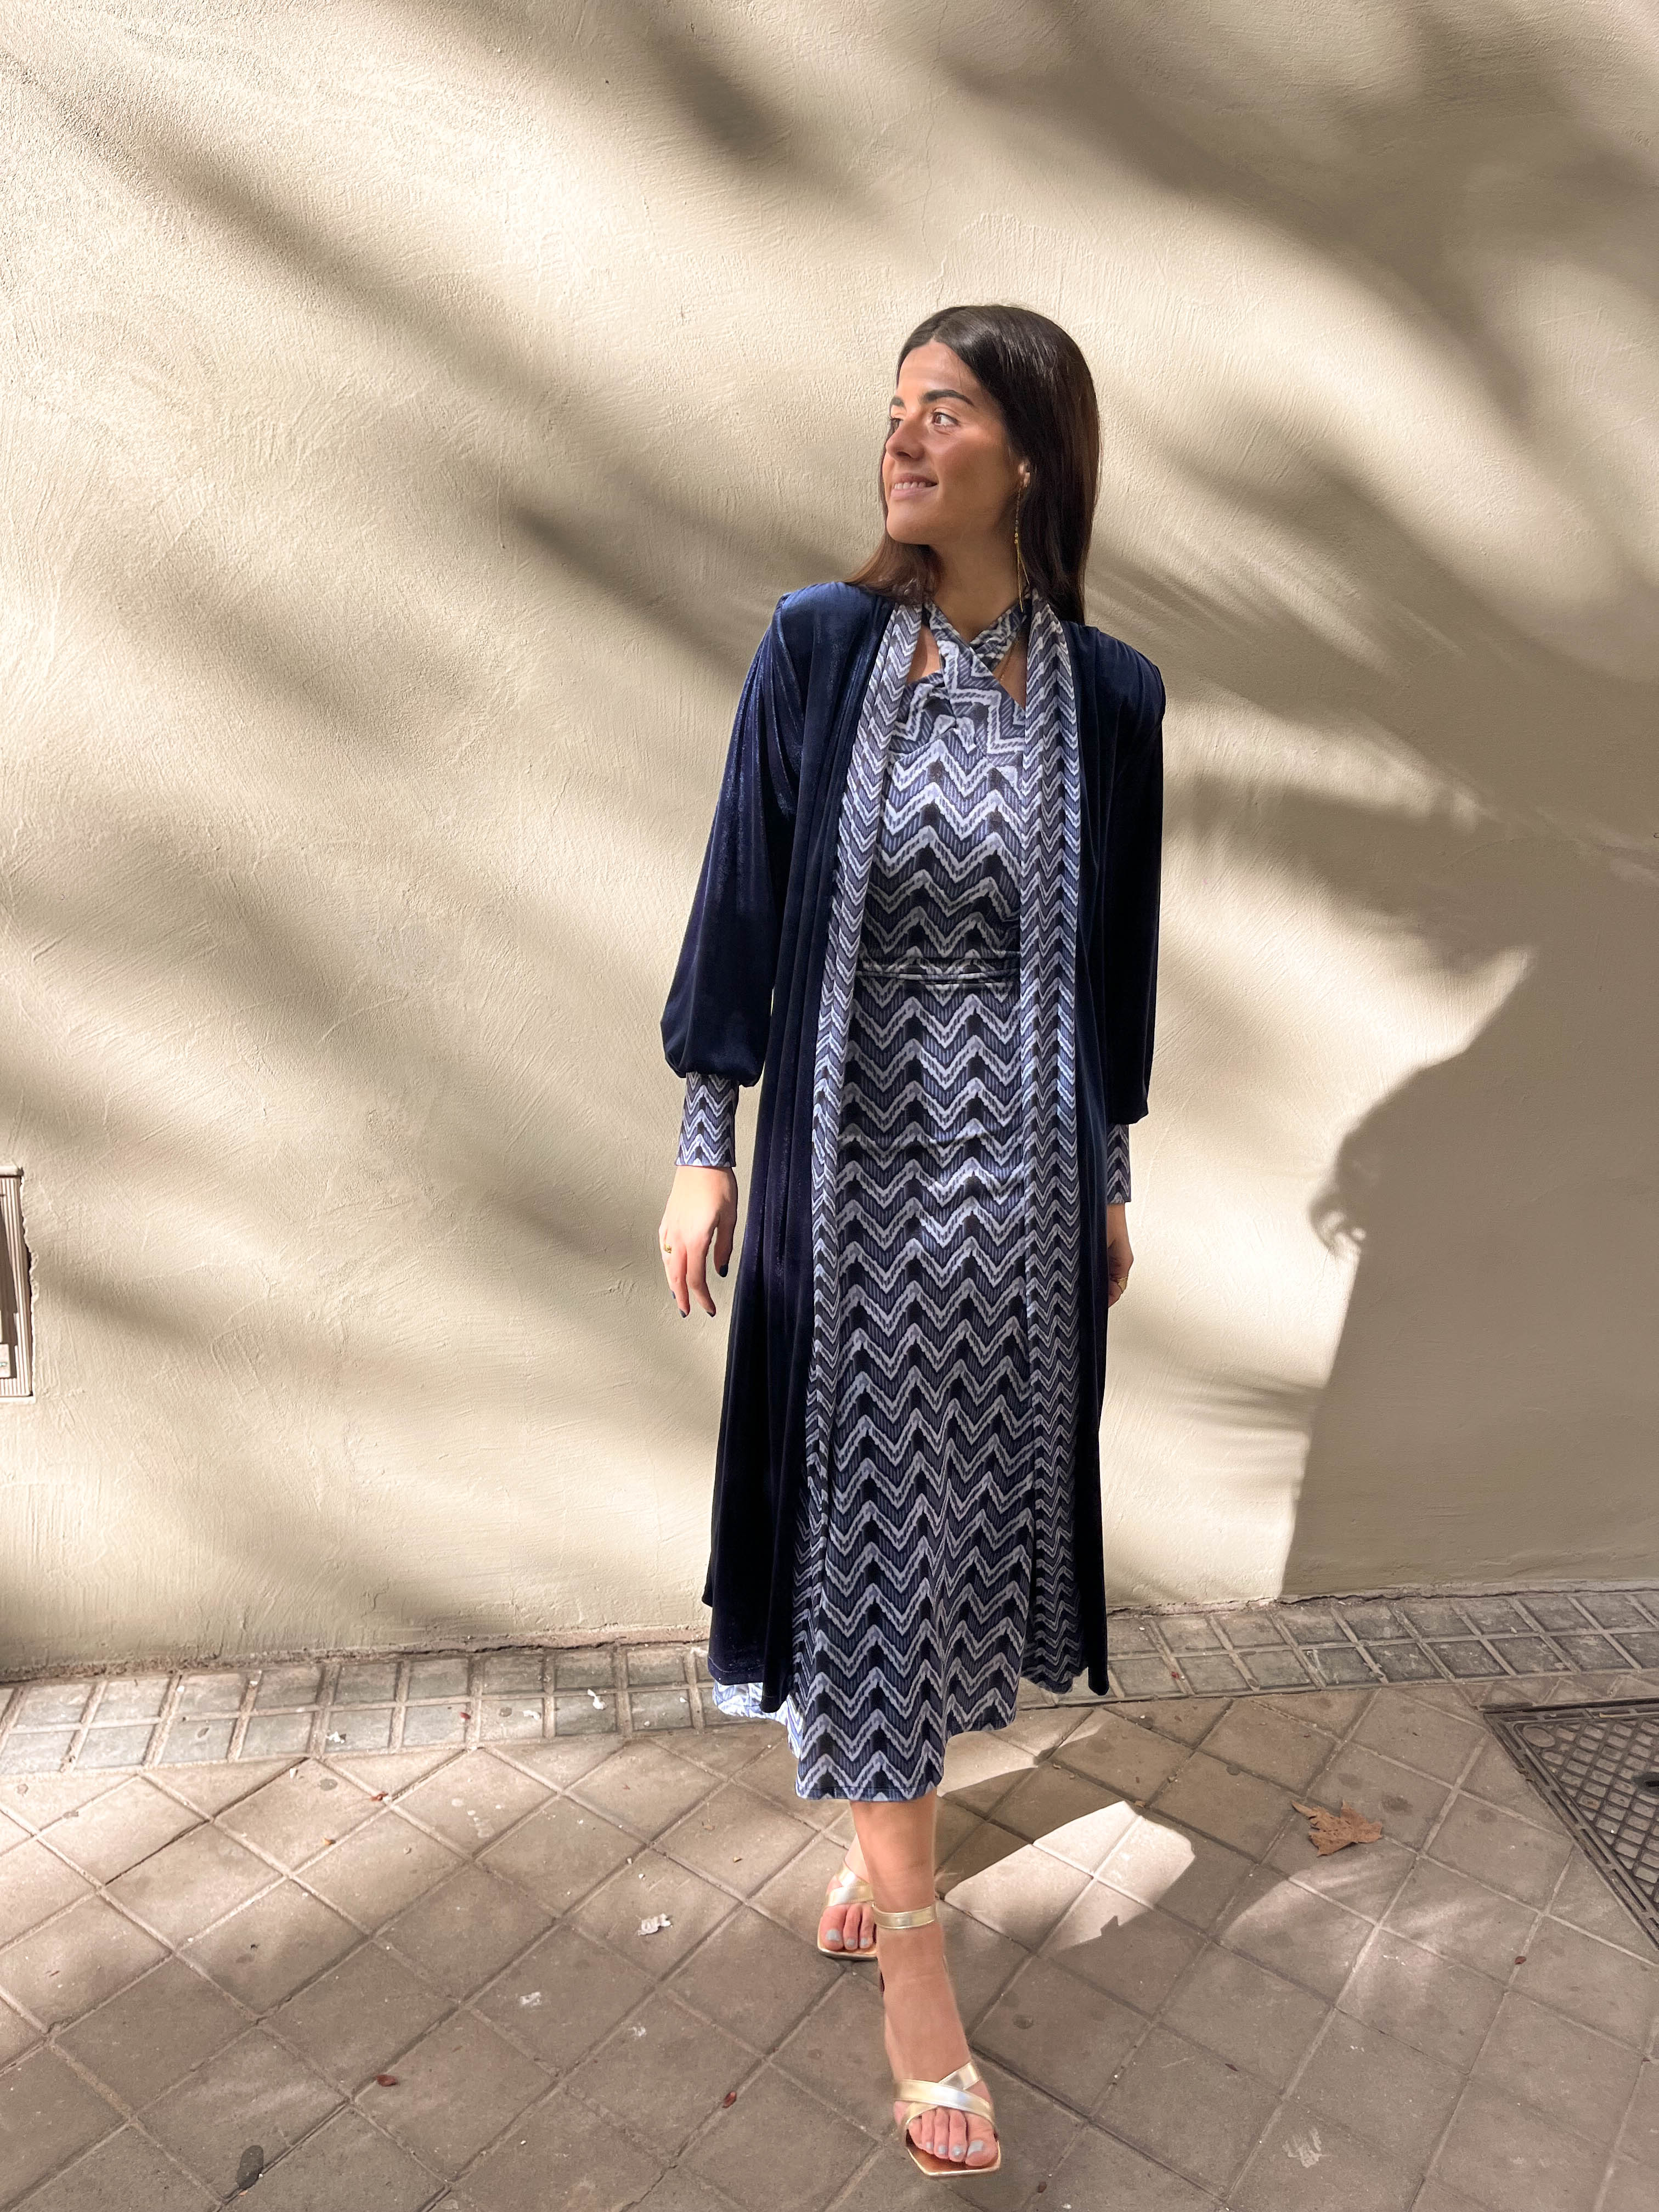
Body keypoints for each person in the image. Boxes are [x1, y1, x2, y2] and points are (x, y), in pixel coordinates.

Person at [657, 302, 1164, 2177]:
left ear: (1029, 453)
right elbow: (740, 899)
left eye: (942, 413)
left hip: (1018, 1191)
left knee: (958, 1543)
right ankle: (918, 1970)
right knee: (867, 1536)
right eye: (893, 411)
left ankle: (882, 1850)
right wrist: (704, 1144)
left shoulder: (1113, 699)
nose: (901, 440)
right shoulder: (819, 646)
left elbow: (1113, 964)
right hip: (853, 1185)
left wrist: (1109, 1172)